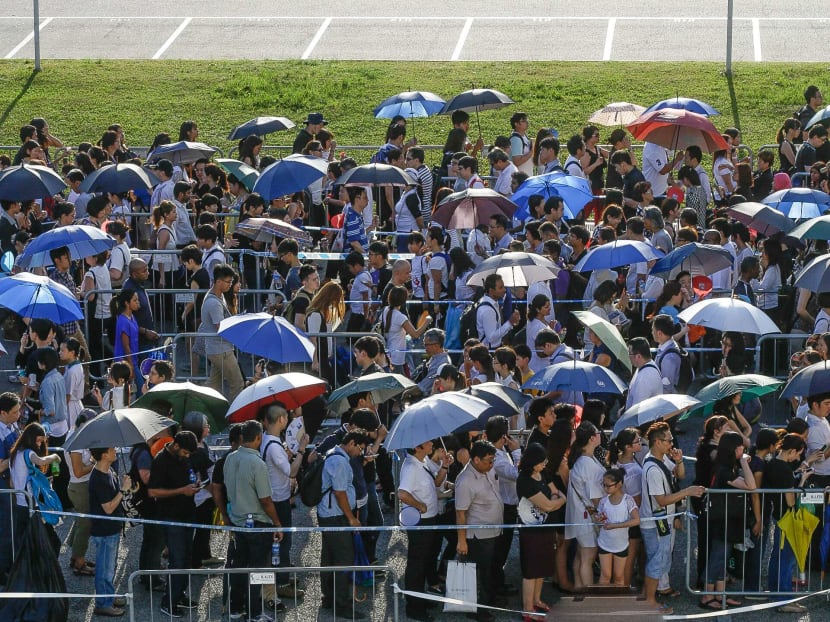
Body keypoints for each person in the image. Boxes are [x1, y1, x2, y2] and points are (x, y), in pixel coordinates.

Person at [640, 422, 705, 614]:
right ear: (657, 442)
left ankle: (650, 598)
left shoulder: (660, 458)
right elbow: (661, 500)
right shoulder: (652, 468)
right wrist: (687, 492)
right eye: (669, 440)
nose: (672, 444)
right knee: (656, 561)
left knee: (660, 560)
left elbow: (680, 474)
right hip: (655, 522)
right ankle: (649, 602)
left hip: (663, 519)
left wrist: (678, 461)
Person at [225, 420, 285, 621]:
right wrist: (277, 522)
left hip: (237, 521)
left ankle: (236, 609)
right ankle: (255, 613)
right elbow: (266, 500)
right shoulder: (257, 464)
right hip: (258, 524)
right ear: (258, 437)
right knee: (259, 570)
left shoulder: (230, 459)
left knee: (239, 567)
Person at [316, 429, 371, 619]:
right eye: (360, 449)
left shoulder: (334, 455)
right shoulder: (339, 461)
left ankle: (329, 599)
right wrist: (351, 518)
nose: (360, 453)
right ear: (352, 443)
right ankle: (341, 605)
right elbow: (340, 493)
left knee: (329, 558)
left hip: (329, 514)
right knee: (344, 559)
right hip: (336, 516)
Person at [147, 431, 200, 618]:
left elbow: (188, 475)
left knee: (187, 557)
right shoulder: (161, 461)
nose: (187, 457)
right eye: (185, 453)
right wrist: (181, 491)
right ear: (175, 445)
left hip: (187, 513)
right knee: (177, 559)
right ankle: (168, 602)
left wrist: (195, 484)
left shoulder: (183, 457)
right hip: (171, 516)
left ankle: (179, 594)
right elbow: (152, 491)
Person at [701, 431, 756, 610]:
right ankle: (707, 595)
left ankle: (720, 593)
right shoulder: (724, 470)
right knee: (718, 557)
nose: (743, 449)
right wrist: (743, 462)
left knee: (723, 558)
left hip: (729, 519)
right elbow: (751, 486)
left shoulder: (726, 467)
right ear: (733, 449)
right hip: (722, 520)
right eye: (740, 447)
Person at [259, 404, 308, 597]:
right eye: (286, 417)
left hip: (273, 496)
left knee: (276, 542)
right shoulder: (273, 445)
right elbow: (292, 472)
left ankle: (282, 575)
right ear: (280, 420)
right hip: (278, 499)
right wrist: (301, 450)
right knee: (282, 542)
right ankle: (281, 583)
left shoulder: (266, 440)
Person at [455, 440, 503, 622]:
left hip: (494, 531)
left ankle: (488, 600)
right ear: (476, 459)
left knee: (490, 568)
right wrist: (462, 541)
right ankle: (477, 610)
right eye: (489, 461)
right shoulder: (465, 480)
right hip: (478, 535)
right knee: (481, 573)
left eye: (493, 460)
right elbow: (460, 513)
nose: (492, 465)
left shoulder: (486, 470)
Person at [516, 442, 565, 622]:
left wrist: (555, 499)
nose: (544, 464)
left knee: (542, 568)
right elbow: (548, 504)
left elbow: (554, 492)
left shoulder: (542, 473)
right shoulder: (524, 480)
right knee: (531, 570)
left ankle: (537, 600)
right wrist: (559, 500)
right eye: (541, 461)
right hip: (531, 530)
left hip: (545, 528)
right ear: (532, 462)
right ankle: (527, 608)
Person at [398, 438, 443, 622]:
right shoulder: (410, 467)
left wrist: (445, 466)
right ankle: (414, 607)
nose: (432, 444)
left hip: (429, 520)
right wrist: (419, 505)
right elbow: (402, 493)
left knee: (424, 561)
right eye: (428, 442)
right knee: (417, 564)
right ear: (417, 447)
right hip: (420, 523)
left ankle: (420, 598)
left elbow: (436, 483)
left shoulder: (422, 461)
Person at [765, 434, 811, 613]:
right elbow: (791, 501)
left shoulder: (772, 464)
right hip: (787, 517)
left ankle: (777, 597)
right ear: (791, 450)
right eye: (798, 454)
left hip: (778, 516)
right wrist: (802, 481)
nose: (797, 458)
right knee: (786, 559)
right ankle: (783, 600)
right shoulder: (783, 469)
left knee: (778, 557)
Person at [88, 446, 131, 617]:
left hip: (111, 528)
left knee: (110, 567)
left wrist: (124, 486)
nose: (115, 451)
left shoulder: (109, 471)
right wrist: (123, 489)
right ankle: (103, 603)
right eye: (111, 449)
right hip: (104, 530)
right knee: (104, 568)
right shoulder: (98, 478)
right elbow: (108, 507)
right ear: (104, 455)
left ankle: (109, 596)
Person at [564, 422, 606, 590]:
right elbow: (595, 496)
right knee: (588, 556)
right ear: (591, 438)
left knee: (581, 555)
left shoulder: (584, 459)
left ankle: (579, 589)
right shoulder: (588, 463)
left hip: (579, 513)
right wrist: (602, 514)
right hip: (588, 515)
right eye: (598, 432)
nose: (600, 434)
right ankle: (588, 594)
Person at [200, 264, 245, 402]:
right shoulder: (214, 302)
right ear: (218, 281)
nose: (230, 285)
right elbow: (221, 327)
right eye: (228, 282)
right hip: (221, 350)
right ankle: (234, 417)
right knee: (237, 383)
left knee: (212, 386)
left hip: (217, 349)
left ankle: (197, 405)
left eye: (231, 282)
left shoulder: (218, 297)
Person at [596, 467, 640, 586]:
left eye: (608, 486)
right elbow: (600, 521)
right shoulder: (603, 501)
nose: (605, 488)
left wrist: (615, 525)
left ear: (619, 484)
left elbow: (637, 520)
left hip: (621, 545)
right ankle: (601, 602)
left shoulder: (628, 500)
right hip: (604, 542)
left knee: (619, 577)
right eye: (604, 485)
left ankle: (617, 602)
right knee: (605, 575)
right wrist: (599, 520)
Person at [380, 285, 432, 374]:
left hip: (389, 353)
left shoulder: (385, 310)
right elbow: (415, 334)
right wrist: (427, 321)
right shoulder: (400, 317)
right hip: (397, 357)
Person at [0, 393, 22, 583]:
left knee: (14, 525)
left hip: (13, 482)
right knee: (6, 527)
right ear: (3, 413)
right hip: (4, 484)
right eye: (15, 412)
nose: (18, 415)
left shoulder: (11, 424)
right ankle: (3, 572)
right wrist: (18, 455)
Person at [476, 274, 521, 349]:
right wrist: (510, 322)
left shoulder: (493, 303)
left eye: (503, 286)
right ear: (491, 290)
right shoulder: (488, 310)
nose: (504, 290)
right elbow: (491, 338)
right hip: (489, 351)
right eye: (500, 287)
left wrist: (511, 323)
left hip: (493, 348)